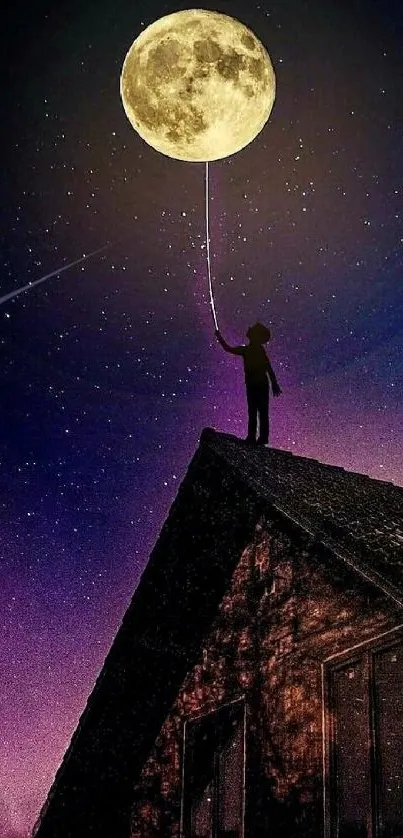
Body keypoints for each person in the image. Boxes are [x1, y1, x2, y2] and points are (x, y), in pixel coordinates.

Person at [215, 322, 282, 445]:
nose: (248, 330)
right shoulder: (251, 350)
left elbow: (268, 367)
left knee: (258, 411)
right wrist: (274, 383)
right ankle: (256, 437)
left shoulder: (252, 350)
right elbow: (269, 368)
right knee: (257, 411)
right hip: (256, 384)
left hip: (258, 384)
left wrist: (274, 383)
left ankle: (258, 437)